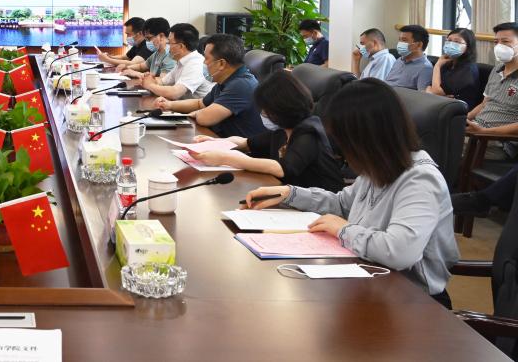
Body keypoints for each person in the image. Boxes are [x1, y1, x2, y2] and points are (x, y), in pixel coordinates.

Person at [244, 79, 459, 307]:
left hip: (414, 301)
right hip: (369, 280)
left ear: (365, 138)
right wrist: (289, 194)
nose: (343, 151)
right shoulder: (379, 167)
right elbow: (342, 204)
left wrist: (343, 230)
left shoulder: (420, 180)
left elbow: (399, 251)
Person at [187, 71, 343, 191]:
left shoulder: (308, 133)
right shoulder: (283, 131)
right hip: (291, 196)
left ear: (280, 108)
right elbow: (246, 143)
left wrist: (225, 158)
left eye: (266, 110)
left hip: (321, 207)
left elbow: (282, 169)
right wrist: (216, 143)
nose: (263, 114)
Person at [155, 33, 264, 138]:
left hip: (238, 148)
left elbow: (205, 118)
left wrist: (197, 113)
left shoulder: (241, 85)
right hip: (220, 140)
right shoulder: (226, 80)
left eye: (206, 58)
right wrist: (169, 105)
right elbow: (200, 104)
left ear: (221, 63)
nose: (204, 63)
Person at [463, 22, 518, 142]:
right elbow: (484, 104)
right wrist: (463, 119)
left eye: (505, 41)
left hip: (500, 140)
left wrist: (484, 132)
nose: (499, 46)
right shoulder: (497, 70)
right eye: (496, 42)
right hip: (477, 130)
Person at [133, 23, 212, 100]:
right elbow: (163, 82)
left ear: (181, 46)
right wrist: (149, 79)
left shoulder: (195, 64)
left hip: (198, 108)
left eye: (169, 43)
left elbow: (175, 93)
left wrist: (150, 85)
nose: (167, 46)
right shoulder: (182, 62)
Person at [426, 27, 481, 110]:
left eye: (457, 42)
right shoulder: (447, 62)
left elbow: (436, 91)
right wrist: (436, 93)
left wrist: (437, 66)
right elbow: (430, 87)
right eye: (449, 40)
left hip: (459, 110)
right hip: (442, 104)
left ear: (468, 47)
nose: (451, 44)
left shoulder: (469, 68)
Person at [384, 24, 434, 91]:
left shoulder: (425, 68)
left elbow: (422, 95)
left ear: (419, 45)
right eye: (399, 40)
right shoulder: (399, 60)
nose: (400, 43)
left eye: (404, 40)